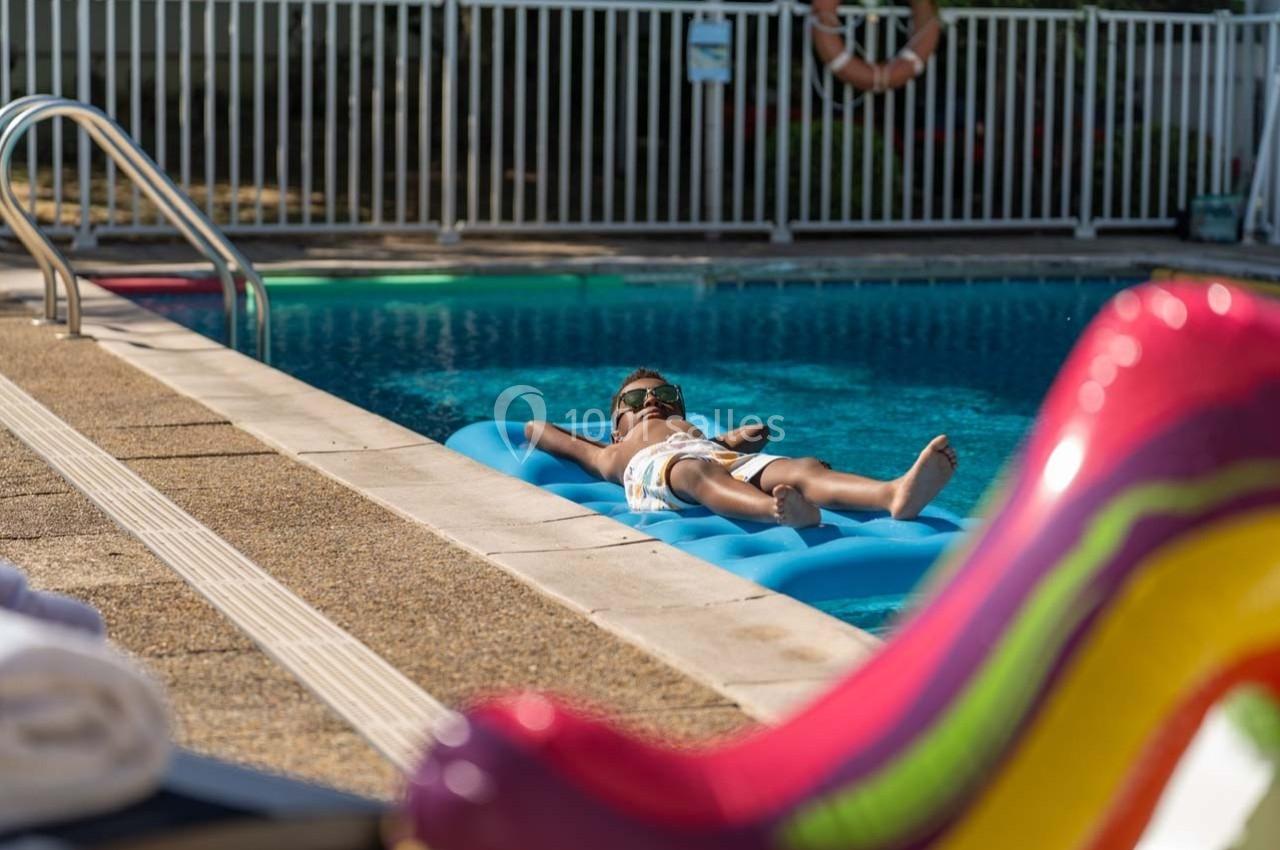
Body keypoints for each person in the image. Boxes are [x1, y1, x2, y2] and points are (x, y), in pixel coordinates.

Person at [522, 368, 958, 528]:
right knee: (695, 472)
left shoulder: (697, 435)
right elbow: (538, 428)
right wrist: (586, 441)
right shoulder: (611, 452)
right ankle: (775, 512)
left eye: (666, 395)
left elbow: (730, 445)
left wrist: (743, 438)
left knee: (800, 467)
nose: (653, 401)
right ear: (616, 427)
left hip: (719, 458)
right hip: (662, 470)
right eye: (635, 401)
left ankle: (893, 493)